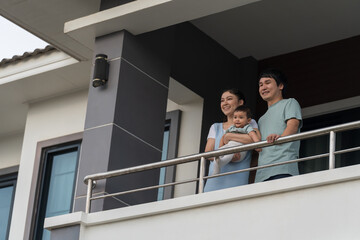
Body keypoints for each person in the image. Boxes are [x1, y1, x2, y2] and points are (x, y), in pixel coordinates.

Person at [204, 89, 260, 192]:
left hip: (238, 179)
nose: (225, 103)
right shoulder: (215, 127)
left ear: (240, 102)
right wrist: (226, 155)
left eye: (229, 99)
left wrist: (228, 136)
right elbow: (208, 153)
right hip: (214, 181)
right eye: (222, 100)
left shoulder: (249, 122)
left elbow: (256, 141)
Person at [255, 69, 302, 182]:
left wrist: (279, 138)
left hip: (283, 167)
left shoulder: (290, 102)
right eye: (261, 85)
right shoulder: (261, 119)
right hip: (262, 173)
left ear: (280, 85)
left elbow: (293, 126)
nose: (263, 87)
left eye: (267, 82)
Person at [212, 105, 261, 175]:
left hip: (240, 150)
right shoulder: (232, 127)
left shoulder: (247, 127)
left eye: (241, 117)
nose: (237, 119)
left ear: (248, 120)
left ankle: (220, 163)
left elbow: (253, 135)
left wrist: (258, 145)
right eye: (235, 117)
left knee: (230, 153)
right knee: (217, 152)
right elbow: (224, 137)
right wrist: (220, 148)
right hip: (229, 145)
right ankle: (216, 169)